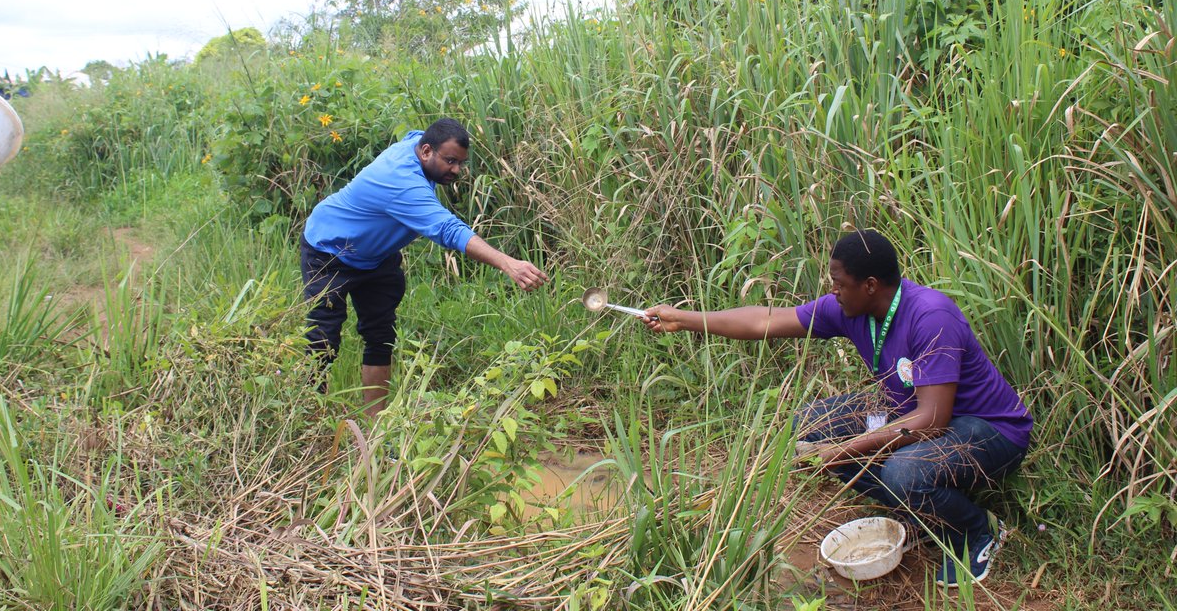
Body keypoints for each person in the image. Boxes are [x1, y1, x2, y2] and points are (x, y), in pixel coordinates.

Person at [641, 229, 1032, 588]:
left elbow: (931, 420)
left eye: (839, 283)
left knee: (901, 472)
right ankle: (922, 513)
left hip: (989, 430)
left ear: (871, 285)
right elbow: (765, 321)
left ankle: (976, 530)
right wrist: (684, 318)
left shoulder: (930, 317)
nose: (833, 291)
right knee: (807, 428)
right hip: (909, 412)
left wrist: (835, 453)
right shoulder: (851, 309)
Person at [300, 117, 548, 417]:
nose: (456, 170)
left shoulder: (418, 145)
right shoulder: (400, 182)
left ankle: (375, 428)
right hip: (329, 252)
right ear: (426, 151)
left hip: (377, 258)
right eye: (451, 161)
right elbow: (449, 230)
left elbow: (414, 132)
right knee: (322, 340)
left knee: (381, 336)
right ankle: (308, 420)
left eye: (460, 163)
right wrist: (508, 264)